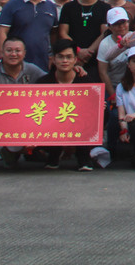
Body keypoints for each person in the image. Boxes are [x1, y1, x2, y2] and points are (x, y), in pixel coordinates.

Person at [0, 36, 47, 172]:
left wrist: (74, 70)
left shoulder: (32, 70)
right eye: (9, 50)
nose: (13, 54)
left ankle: (11, 154)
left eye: (17, 51)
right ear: (2, 52)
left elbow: (52, 83)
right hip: (1, 118)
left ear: (24, 53)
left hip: (26, 118)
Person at [35, 39, 100, 172]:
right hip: (52, 126)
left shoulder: (85, 81)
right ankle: (54, 154)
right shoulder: (43, 83)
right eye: (60, 57)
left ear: (75, 59)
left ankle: (83, 156)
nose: (65, 61)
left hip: (78, 124)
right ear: (53, 59)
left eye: (69, 57)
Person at [0, 0, 58, 73]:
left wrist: (53, 55)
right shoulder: (12, 5)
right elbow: (2, 32)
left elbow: (54, 34)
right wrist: (3, 56)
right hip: (16, 63)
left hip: (42, 62)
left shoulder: (51, 7)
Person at [58, 0, 110, 77]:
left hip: (96, 59)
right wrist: (78, 51)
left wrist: (89, 52)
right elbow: (63, 33)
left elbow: (104, 33)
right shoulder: (68, 7)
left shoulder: (105, 8)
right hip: (72, 59)